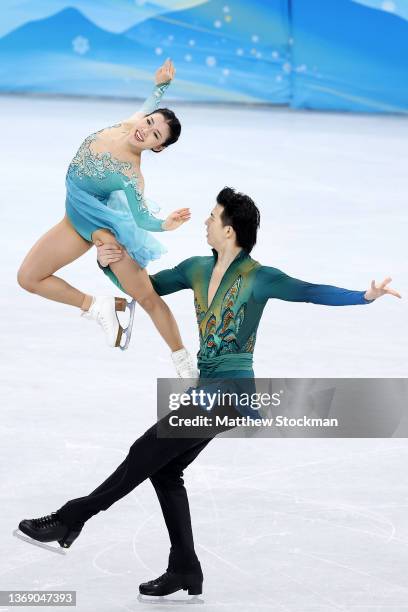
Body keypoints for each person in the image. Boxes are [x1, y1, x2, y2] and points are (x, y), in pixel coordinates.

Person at [16, 187, 401, 599]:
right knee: (164, 470)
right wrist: (109, 265)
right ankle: (185, 568)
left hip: (230, 393)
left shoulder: (258, 277)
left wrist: (363, 297)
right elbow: (147, 289)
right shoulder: (197, 268)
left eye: (213, 216)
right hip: (209, 390)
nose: (206, 220)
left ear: (230, 230)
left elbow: (310, 291)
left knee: (145, 450)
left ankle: (72, 518)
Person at [16, 59, 196, 377]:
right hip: (75, 219)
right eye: (150, 122)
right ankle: (98, 306)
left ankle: (183, 361)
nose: (146, 131)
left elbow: (142, 218)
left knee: (147, 296)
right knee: (29, 278)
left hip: (105, 232)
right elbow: (148, 106)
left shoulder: (132, 173)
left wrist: (165, 224)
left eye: (155, 135)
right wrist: (161, 86)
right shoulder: (128, 124)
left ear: (158, 148)